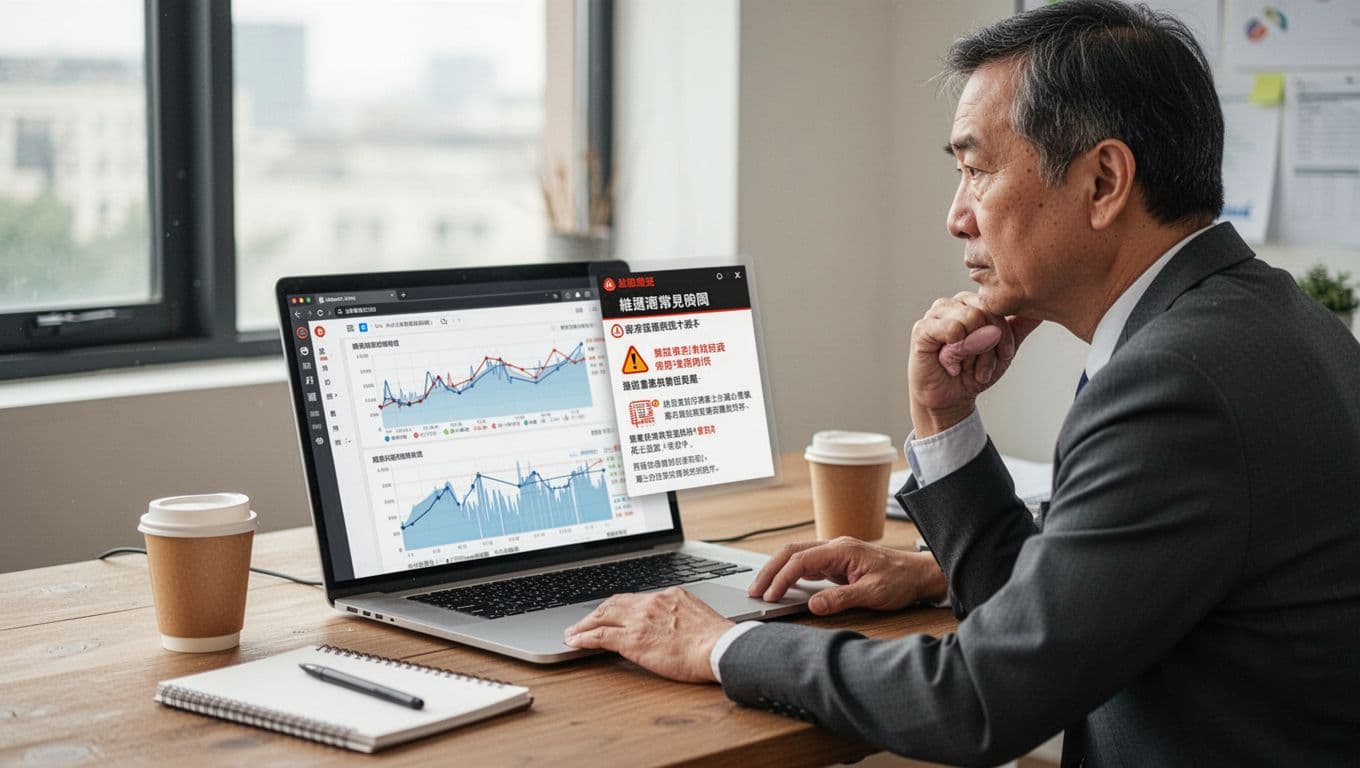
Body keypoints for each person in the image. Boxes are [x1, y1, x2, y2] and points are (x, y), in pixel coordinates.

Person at [564, 1, 1360, 764]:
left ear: (1104, 182)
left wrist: (720, 642)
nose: (957, 215)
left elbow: (980, 702)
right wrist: (945, 428)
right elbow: (1067, 615)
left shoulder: (1174, 384)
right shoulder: (1264, 319)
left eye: (976, 170)